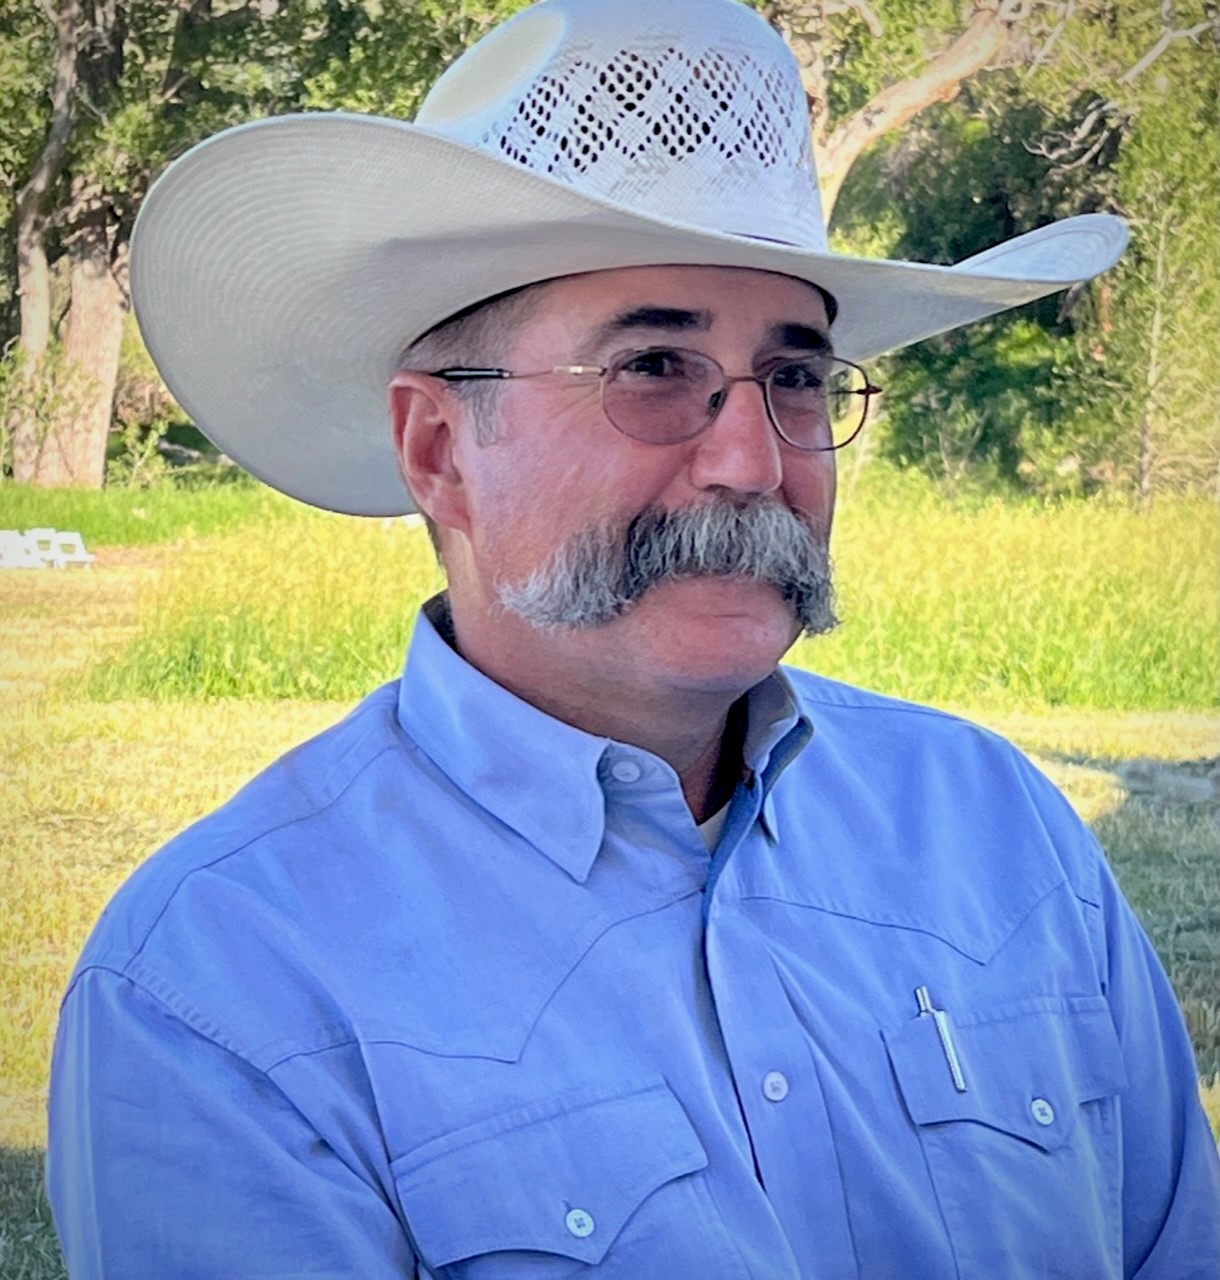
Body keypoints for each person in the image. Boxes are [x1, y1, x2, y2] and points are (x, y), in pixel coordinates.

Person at [47, 0, 1219, 1275]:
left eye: (797, 377)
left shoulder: (991, 821)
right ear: (440, 448)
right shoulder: (223, 986)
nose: (751, 457)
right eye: (653, 366)